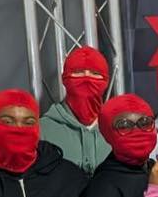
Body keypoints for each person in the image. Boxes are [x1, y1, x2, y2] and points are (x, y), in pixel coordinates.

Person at [40, 45, 112, 174]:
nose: (86, 78)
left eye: (95, 73)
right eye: (78, 72)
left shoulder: (118, 129)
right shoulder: (42, 130)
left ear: (106, 81)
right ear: (65, 79)